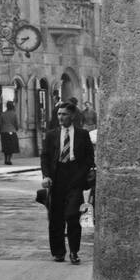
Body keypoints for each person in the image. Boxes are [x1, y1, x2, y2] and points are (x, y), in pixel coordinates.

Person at [40, 98, 94, 263]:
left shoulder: (82, 135)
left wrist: (80, 176)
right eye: (59, 114)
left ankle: (74, 251)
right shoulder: (51, 135)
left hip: (75, 179)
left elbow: (89, 158)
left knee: (72, 216)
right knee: (56, 218)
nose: (60, 117)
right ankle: (58, 252)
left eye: (64, 114)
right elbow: (45, 157)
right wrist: (46, 176)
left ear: (72, 116)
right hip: (56, 178)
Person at [0, 100, 20, 165]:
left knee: (5, 147)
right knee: (11, 147)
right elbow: (16, 123)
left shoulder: (3, 114)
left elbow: (0, 124)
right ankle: (9, 160)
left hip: (4, 132)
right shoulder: (14, 114)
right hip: (12, 131)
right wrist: (16, 129)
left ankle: (5, 159)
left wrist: (0, 131)